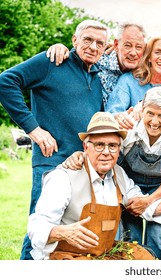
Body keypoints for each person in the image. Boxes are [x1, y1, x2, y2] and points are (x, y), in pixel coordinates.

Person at [0, 19, 108, 260]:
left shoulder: (98, 75)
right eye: (88, 39)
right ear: (75, 40)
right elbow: (5, 81)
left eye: (100, 43)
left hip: (82, 165)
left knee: (66, 236)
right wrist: (34, 129)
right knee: (41, 229)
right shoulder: (52, 61)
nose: (93, 46)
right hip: (52, 160)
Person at [27, 111, 161, 260]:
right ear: (86, 146)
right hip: (66, 257)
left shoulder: (119, 175)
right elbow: (36, 226)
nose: (107, 152)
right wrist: (63, 232)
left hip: (104, 254)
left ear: (119, 149)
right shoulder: (63, 177)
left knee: (145, 260)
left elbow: (146, 206)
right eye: (100, 145)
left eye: (113, 146)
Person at [62, 86, 161, 260]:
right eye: (150, 113)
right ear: (142, 109)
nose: (154, 121)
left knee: (159, 237)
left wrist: (148, 200)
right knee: (131, 237)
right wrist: (80, 155)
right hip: (129, 183)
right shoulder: (128, 125)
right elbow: (104, 150)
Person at [47, 22, 147, 107]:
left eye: (138, 47)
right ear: (116, 44)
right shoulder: (96, 61)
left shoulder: (145, 74)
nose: (133, 53)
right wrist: (60, 48)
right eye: (127, 45)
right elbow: (78, 55)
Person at [106, 36, 161, 117]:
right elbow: (113, 113)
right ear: (149, 57)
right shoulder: (128, 80)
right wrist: (130, 114)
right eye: (157, 52)